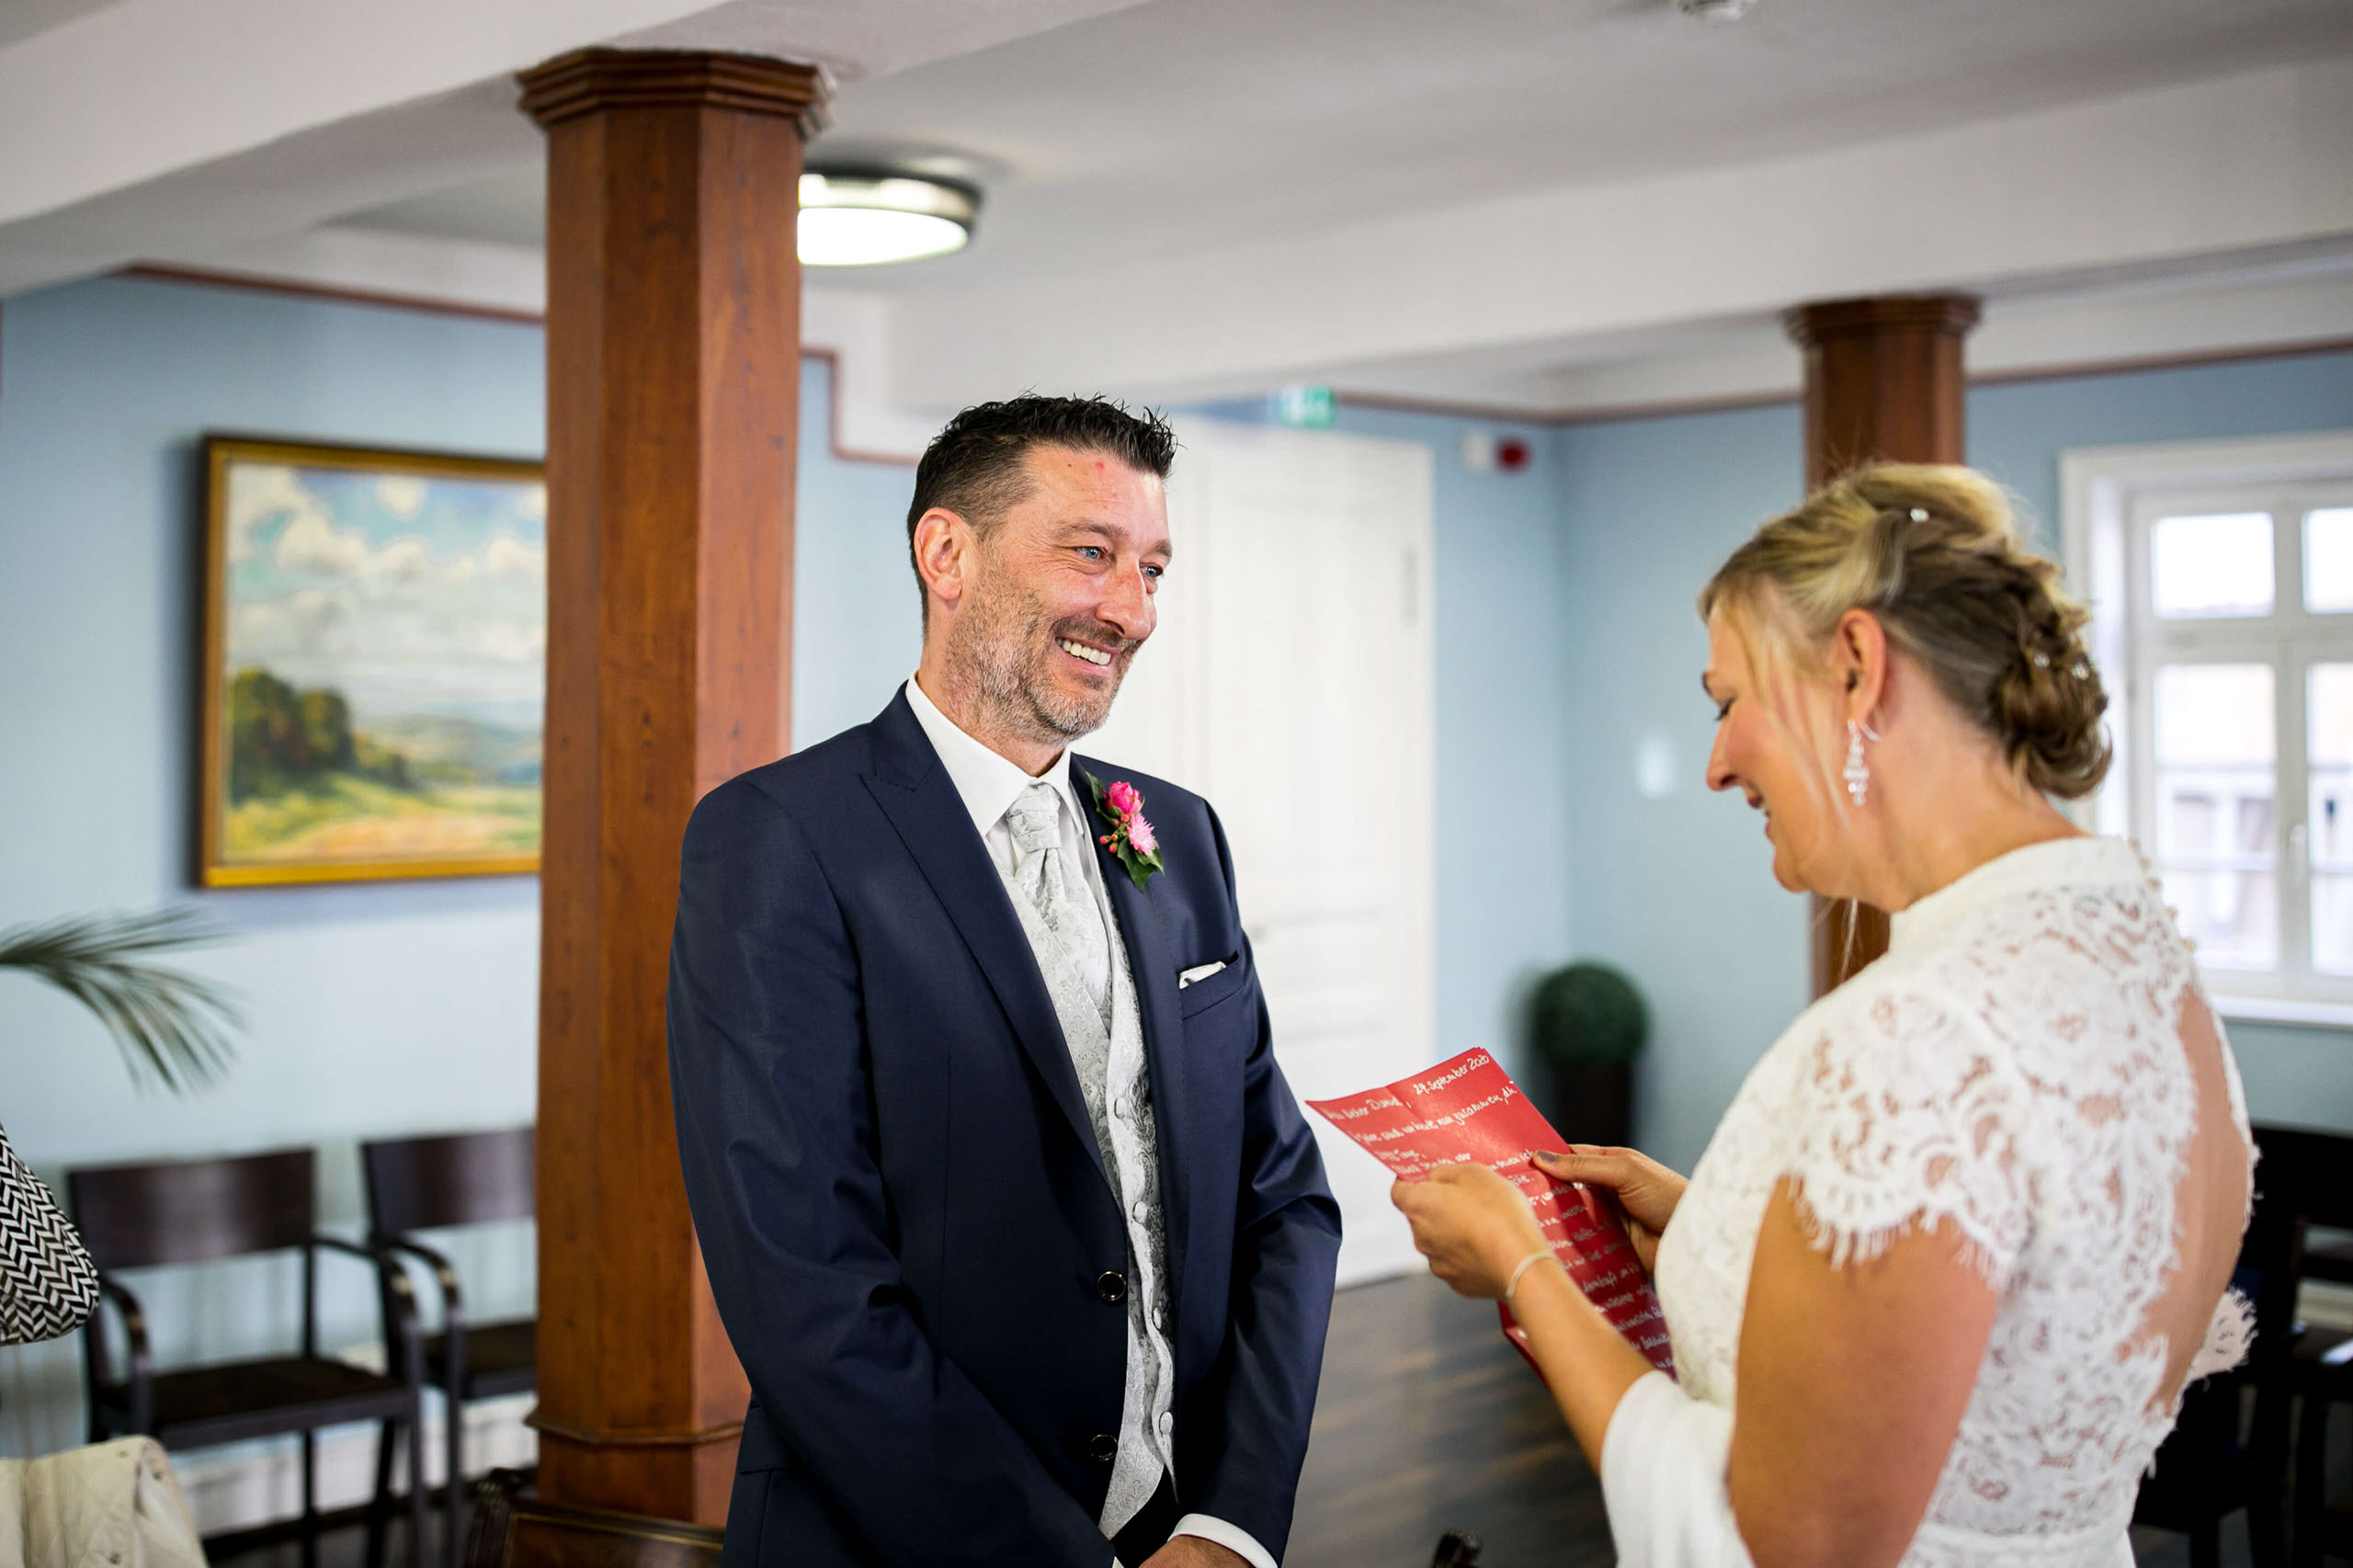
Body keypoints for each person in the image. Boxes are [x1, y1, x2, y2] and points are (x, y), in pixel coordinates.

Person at [1393, 463, 2256, 1568]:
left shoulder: (1925, 1031)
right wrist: (1713, 1226)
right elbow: (1986, 1323)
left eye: (1726, 700)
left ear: (1855, 665)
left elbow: (1773, 1545)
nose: (1714, 763)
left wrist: (1527, 1267)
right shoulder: (2147, 976)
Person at [667, 395, 1341, 1568]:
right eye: (1091, 553)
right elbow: (807, 1289)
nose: (1129, 608)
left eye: (1151, 568)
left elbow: (1282, 1200)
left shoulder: (1176, 835)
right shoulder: (780, 838)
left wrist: (1229, 1524)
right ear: (947, 554)